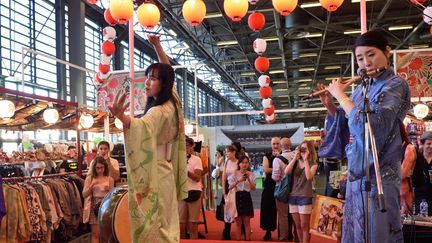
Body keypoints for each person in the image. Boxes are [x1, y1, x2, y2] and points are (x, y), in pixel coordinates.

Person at [316, 29, 410, 243]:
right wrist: (332, 106)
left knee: (378, 235)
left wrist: (340, 95)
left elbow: (371, 128)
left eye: (371, 54)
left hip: (380, 178)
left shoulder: (395, 84)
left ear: (387, 52)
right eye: (360, 58)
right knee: (355, 234)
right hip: (356, 179)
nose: (366, 62)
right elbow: (349, 127)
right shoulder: (361, 89)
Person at [108, 34, 188, 243]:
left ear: (163, 84)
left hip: (156, 172)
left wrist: (122, 116)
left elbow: (141, 127)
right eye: (147, 77)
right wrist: (157, 45)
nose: (147, 82)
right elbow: (167, 69)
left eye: (153, 78)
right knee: (167, 221)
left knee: (155, 221)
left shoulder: (159, 111)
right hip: (166, 171)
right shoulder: (173, 102)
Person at [285, 141, 318, 243]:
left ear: (310, 151)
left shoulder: (313, 164)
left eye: (305, 149)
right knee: (297, 225)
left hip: (304, 196)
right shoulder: (295, 161)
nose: (303, 151)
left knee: (304, 226)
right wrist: (295, 157)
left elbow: (309, 177)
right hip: (293, 196)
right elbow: (286, 171)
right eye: (301, 148)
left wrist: (306, 160)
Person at [82, 156, 114, 243]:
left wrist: (108, 190)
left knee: (105, 233)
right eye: (97, 168)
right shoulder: (90, 178)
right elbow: (84, 194)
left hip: (106, 206)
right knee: (95, 233)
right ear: (94, 168)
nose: (99, 170)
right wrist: (91, 186)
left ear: (105, 167)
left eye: (101, 167)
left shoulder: (110, 179)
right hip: (94, 206)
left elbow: (112, 196)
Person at [272, 137, 296, 241]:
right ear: (290, 145)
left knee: (283, 216)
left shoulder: (277, 160)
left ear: (281, 146)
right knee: (296, 215)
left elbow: (276, 177)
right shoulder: (297, 157)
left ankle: (284, 237)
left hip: (282, 190)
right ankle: (298, 237)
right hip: (296, 189)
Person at [179, 137, 203, 239]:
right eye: (183, 145)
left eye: (187, 145)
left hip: (194, 192)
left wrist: (186, 170)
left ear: (191, 147)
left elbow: (197, 178)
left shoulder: (197, 159)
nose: (185, 148)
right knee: (180, 225)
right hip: (180, 193)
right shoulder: (176, 160)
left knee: (193, 225)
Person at [228, 155, 256, 241]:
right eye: (242, 162)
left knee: (247, 222)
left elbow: (254, 188)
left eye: (246, 162)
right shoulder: (234, 173)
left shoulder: (251, 174)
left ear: (248, 164)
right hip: (237, 197)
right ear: (239, 164)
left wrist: (248, 180)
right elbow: (230, 187)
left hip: (246, 197)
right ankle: (238, 240)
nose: (244, 164)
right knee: (238, 222)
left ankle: (248, 240)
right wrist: (239, 180)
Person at [260, 137, 280, 241]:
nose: (275, 146)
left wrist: (279, 159)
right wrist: (279, 168)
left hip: (281, 185)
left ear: (280, 144)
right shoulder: (266, 156)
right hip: (269, 185)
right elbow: (266, 169)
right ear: (271, 145)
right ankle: (268, 231)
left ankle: (284, 233)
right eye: (274, 144)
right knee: (268, 208)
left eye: (277, 143)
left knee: (282, 211)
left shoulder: (283, 155)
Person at [221, 145, 239, 240]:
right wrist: (224, 192)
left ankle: (240, 231)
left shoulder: (238, 162)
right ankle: (226, 232)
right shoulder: (226, 162)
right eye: (225, 152)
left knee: (237, 210)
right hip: (228, 188)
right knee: (227, 210)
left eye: (228, 152)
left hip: (237, 189)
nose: (226, 154)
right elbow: (224, 178)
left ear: (233, 152)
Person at [413, 132, 432, 216]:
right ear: (422, 144)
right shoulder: (416, 159)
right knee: (421, 226)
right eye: (428, 144)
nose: (431, 146)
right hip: (420, 199)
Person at [400, 125, 416, 215]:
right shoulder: (393, 149)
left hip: (405, 193)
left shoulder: (409, 148)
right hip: (393, 192)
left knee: (403, 224)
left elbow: (403, 174)